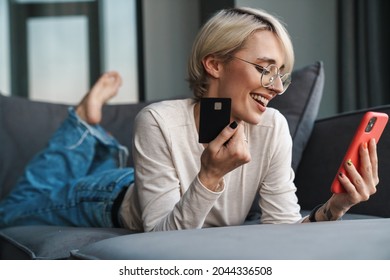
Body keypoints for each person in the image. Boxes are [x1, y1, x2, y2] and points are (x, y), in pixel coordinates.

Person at [0, 7, 379, 231]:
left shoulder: (273, 127)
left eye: (281, 73)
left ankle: (96, 139)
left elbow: (281, 230)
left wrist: (334, 208)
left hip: (153, 179)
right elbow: (160, 236)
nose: (277, 87)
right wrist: (210, 176)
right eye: (265, 69)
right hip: (109, 197)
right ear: (214, 63)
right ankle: (82, 125)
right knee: (12, 214)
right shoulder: (159, 121)